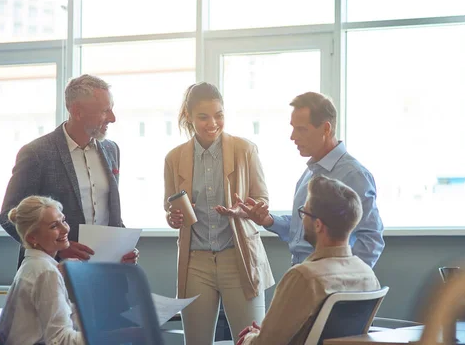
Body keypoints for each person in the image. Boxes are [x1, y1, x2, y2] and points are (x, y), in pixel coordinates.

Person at [164, 82, 274, 345]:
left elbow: (262, 199)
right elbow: (170, 209)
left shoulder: (244, 150)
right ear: (189, 117)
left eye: (219, 115)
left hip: (239, 259)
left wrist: (244, 209)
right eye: (203, 117)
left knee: (252, 340)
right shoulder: (174, 158)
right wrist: (173, 218)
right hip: (196, 262)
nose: (212, 123)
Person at [0, 74, 138, 265]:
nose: (112, 118)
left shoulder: (111, 149)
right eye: (105, 111)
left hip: (105, 269)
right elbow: (9, 216)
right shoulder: (36, 153)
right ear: (77, 112)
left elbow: (110, 211)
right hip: (53, 272)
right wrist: (58, 247)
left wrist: (123, 246)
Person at [234, 92, 384, 267]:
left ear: (326, 129)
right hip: (303, 274)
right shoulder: (309, 173)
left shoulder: (353, 175)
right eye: (293, 127)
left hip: (328, 281)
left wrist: (346, 278)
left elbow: (371, 238)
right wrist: (268, 220)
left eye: (301, 129)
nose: (293, 137)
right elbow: (302, 228)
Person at [237, 176, 381, 345]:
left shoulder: (304, 277)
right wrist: (265, 334)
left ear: (318, 225)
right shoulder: (368, 276)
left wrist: (250, 338)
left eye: (303, 212)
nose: (301, 220)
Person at [0, 196, 84, 345]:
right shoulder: (46, 272)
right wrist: (107, 337)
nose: (65, 229)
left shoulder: (34, 265)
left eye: (63, 221)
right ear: (32, 238)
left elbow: (68, 318)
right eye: (54, 226)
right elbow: (60, 340)